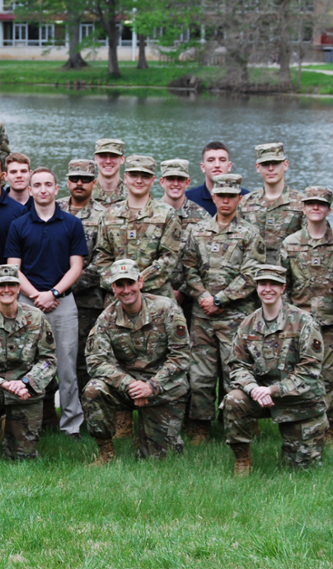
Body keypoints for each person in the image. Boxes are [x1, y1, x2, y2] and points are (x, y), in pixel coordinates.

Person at [181, 173, 265, 444]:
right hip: (202, 315)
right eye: (221, 195)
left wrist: (221, 300)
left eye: (231, 196)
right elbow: (188, 268)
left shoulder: (249, 233)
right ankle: (201, 427)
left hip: (236, 316)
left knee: (236, 372)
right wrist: (204, 296)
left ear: (239, 199)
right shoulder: (197, 230)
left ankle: (239, 424)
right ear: (213, 197)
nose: (226, 200)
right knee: (200, 374)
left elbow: (251, 274)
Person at [81, 260, 190, 464]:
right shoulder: (107, 318)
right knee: (93, 389)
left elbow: (181, 356)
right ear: (113, 288)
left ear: (140, 282)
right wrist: (130, 385)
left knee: (157, 460)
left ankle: (155, 435)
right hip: (127, 387)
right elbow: (96, 361)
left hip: (163, 387)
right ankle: (106, 454)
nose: (126, 290)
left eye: (130, 283)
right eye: (120, 285)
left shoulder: (167, 309)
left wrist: (151, 386)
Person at [5, 167, 87, 439]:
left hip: (62, 302)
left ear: (55, 189)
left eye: (47, 184)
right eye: (36, 185)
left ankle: (71, 425)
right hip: (26, 302)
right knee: (25, 364)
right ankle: (27, 423)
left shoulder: (72, 224)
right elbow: (13, 268)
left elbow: (76, 267)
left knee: (66, 366)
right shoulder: (19, 225)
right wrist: (36, 296)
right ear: (29, 190)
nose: (42, 189)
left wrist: (52, 293)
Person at [223, 264, 328, 475]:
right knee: (233, 399)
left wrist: (273, 390)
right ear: (256, 287)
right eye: (263, 283)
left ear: (283, 288)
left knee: (300, 470)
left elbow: (310, 370)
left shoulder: (304, 323)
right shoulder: (248, 324)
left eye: (274, 284)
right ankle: (242, 459)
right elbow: (237, 365)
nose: (267, 289)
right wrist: (253, 388)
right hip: (261, 396)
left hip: (300, 400)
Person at [0, 264, 57, 466]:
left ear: (19, 287)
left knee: (23, 458)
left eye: (12, 285)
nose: (7, 290)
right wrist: (3, 384)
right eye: (1, 285)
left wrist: (26, 382)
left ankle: (10, 426)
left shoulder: (37, 318)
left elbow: (48, 360)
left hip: (25, 389)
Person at [279, 186, 333, 436]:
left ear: (328, 208)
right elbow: (283, 286)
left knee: (329, 378)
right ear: (303, 208)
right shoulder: (290, 244)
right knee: (299, 376)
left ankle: (329, 429)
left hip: (330, 324)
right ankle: (298, 426)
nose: (315, 208)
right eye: (310, 203)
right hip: (299, 324)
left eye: (321, 204)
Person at [55, 159, 107, 430]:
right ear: (67, 181)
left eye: (85, 179)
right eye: (74, 178)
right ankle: (43, 417)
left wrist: (64, 286)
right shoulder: (53, 208)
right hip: (49, 297)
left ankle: (86, 419)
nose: (79, 183)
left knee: (82, 361)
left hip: (87, 300)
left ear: (94, 183)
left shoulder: (104, 214)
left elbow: (103, 260)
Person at [92, 155, 182, 300]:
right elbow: (102, 257)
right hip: (118, 296)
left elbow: (169, 257)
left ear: (153, 180)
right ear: (125, 177)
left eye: (145, 176)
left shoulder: (167, 214)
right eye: (134, 175)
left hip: (156, 297)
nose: (139, 180)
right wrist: (119, 284)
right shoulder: (110, 214)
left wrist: (136, 282)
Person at [238, 142, 305, 264]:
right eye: (265, 164)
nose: (270, 168)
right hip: (253, 276)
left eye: (275, 163)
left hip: (287, 275)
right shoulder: (245, 203)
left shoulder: (302, 203)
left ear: (285, 165)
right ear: (258, 167)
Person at [158, 158, 210, 309]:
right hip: (156, 295)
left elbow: (207, 262)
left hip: (192, 297)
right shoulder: (151, 214)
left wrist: (183, 292)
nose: (175, 183)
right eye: (170, 179)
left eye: (180, 179)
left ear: (187, 183)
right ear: (162, 182)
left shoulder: (202, 217)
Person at [186, 141, 248, 216]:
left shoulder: (246, 198)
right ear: (203, 167)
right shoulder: (188, 198)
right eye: (211, 160)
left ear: (229, 166)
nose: (217, 165)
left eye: (222, 160)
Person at [91, 138, 128, 207]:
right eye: (103, 156)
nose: (108, 161)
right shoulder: (86, 193)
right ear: (95, 159)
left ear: (122, 159)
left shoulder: (132, 195)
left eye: (114, 156)